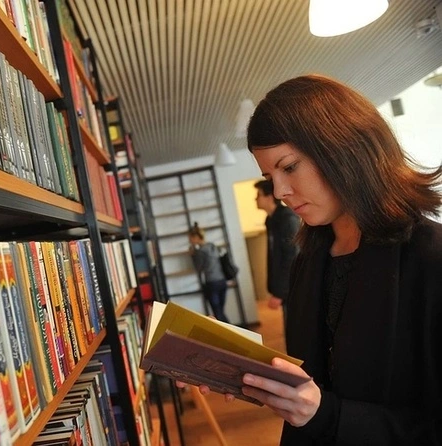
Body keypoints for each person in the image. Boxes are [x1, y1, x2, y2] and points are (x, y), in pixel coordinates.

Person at [181, 74, 442, 445]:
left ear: (344, 149)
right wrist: (238, 364)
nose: (280, 191)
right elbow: (317, 378)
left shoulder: (430, 258)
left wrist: (327, 415)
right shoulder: (311, 259)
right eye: (269, 176)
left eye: (289, 167)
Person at [254, 179, 300, 332]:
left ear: (269, 197)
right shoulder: (270, 220)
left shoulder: (287, 219)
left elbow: (291, 257)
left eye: (258, 195)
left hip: (294, 286)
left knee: (296, 328)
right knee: (290, 328)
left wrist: (280, 292)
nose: (255, 199)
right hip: (287, 287)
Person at [188, 222, 229, 323]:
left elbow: (198, 268)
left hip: (212, 283)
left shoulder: (200, 251)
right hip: (222, 280)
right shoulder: (212, 246)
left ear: (196, 237)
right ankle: (231, 329)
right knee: (220, 311)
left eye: (191, 238)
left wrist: (192, 255)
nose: (190, 241)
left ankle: (229, 330)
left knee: (217, 313)